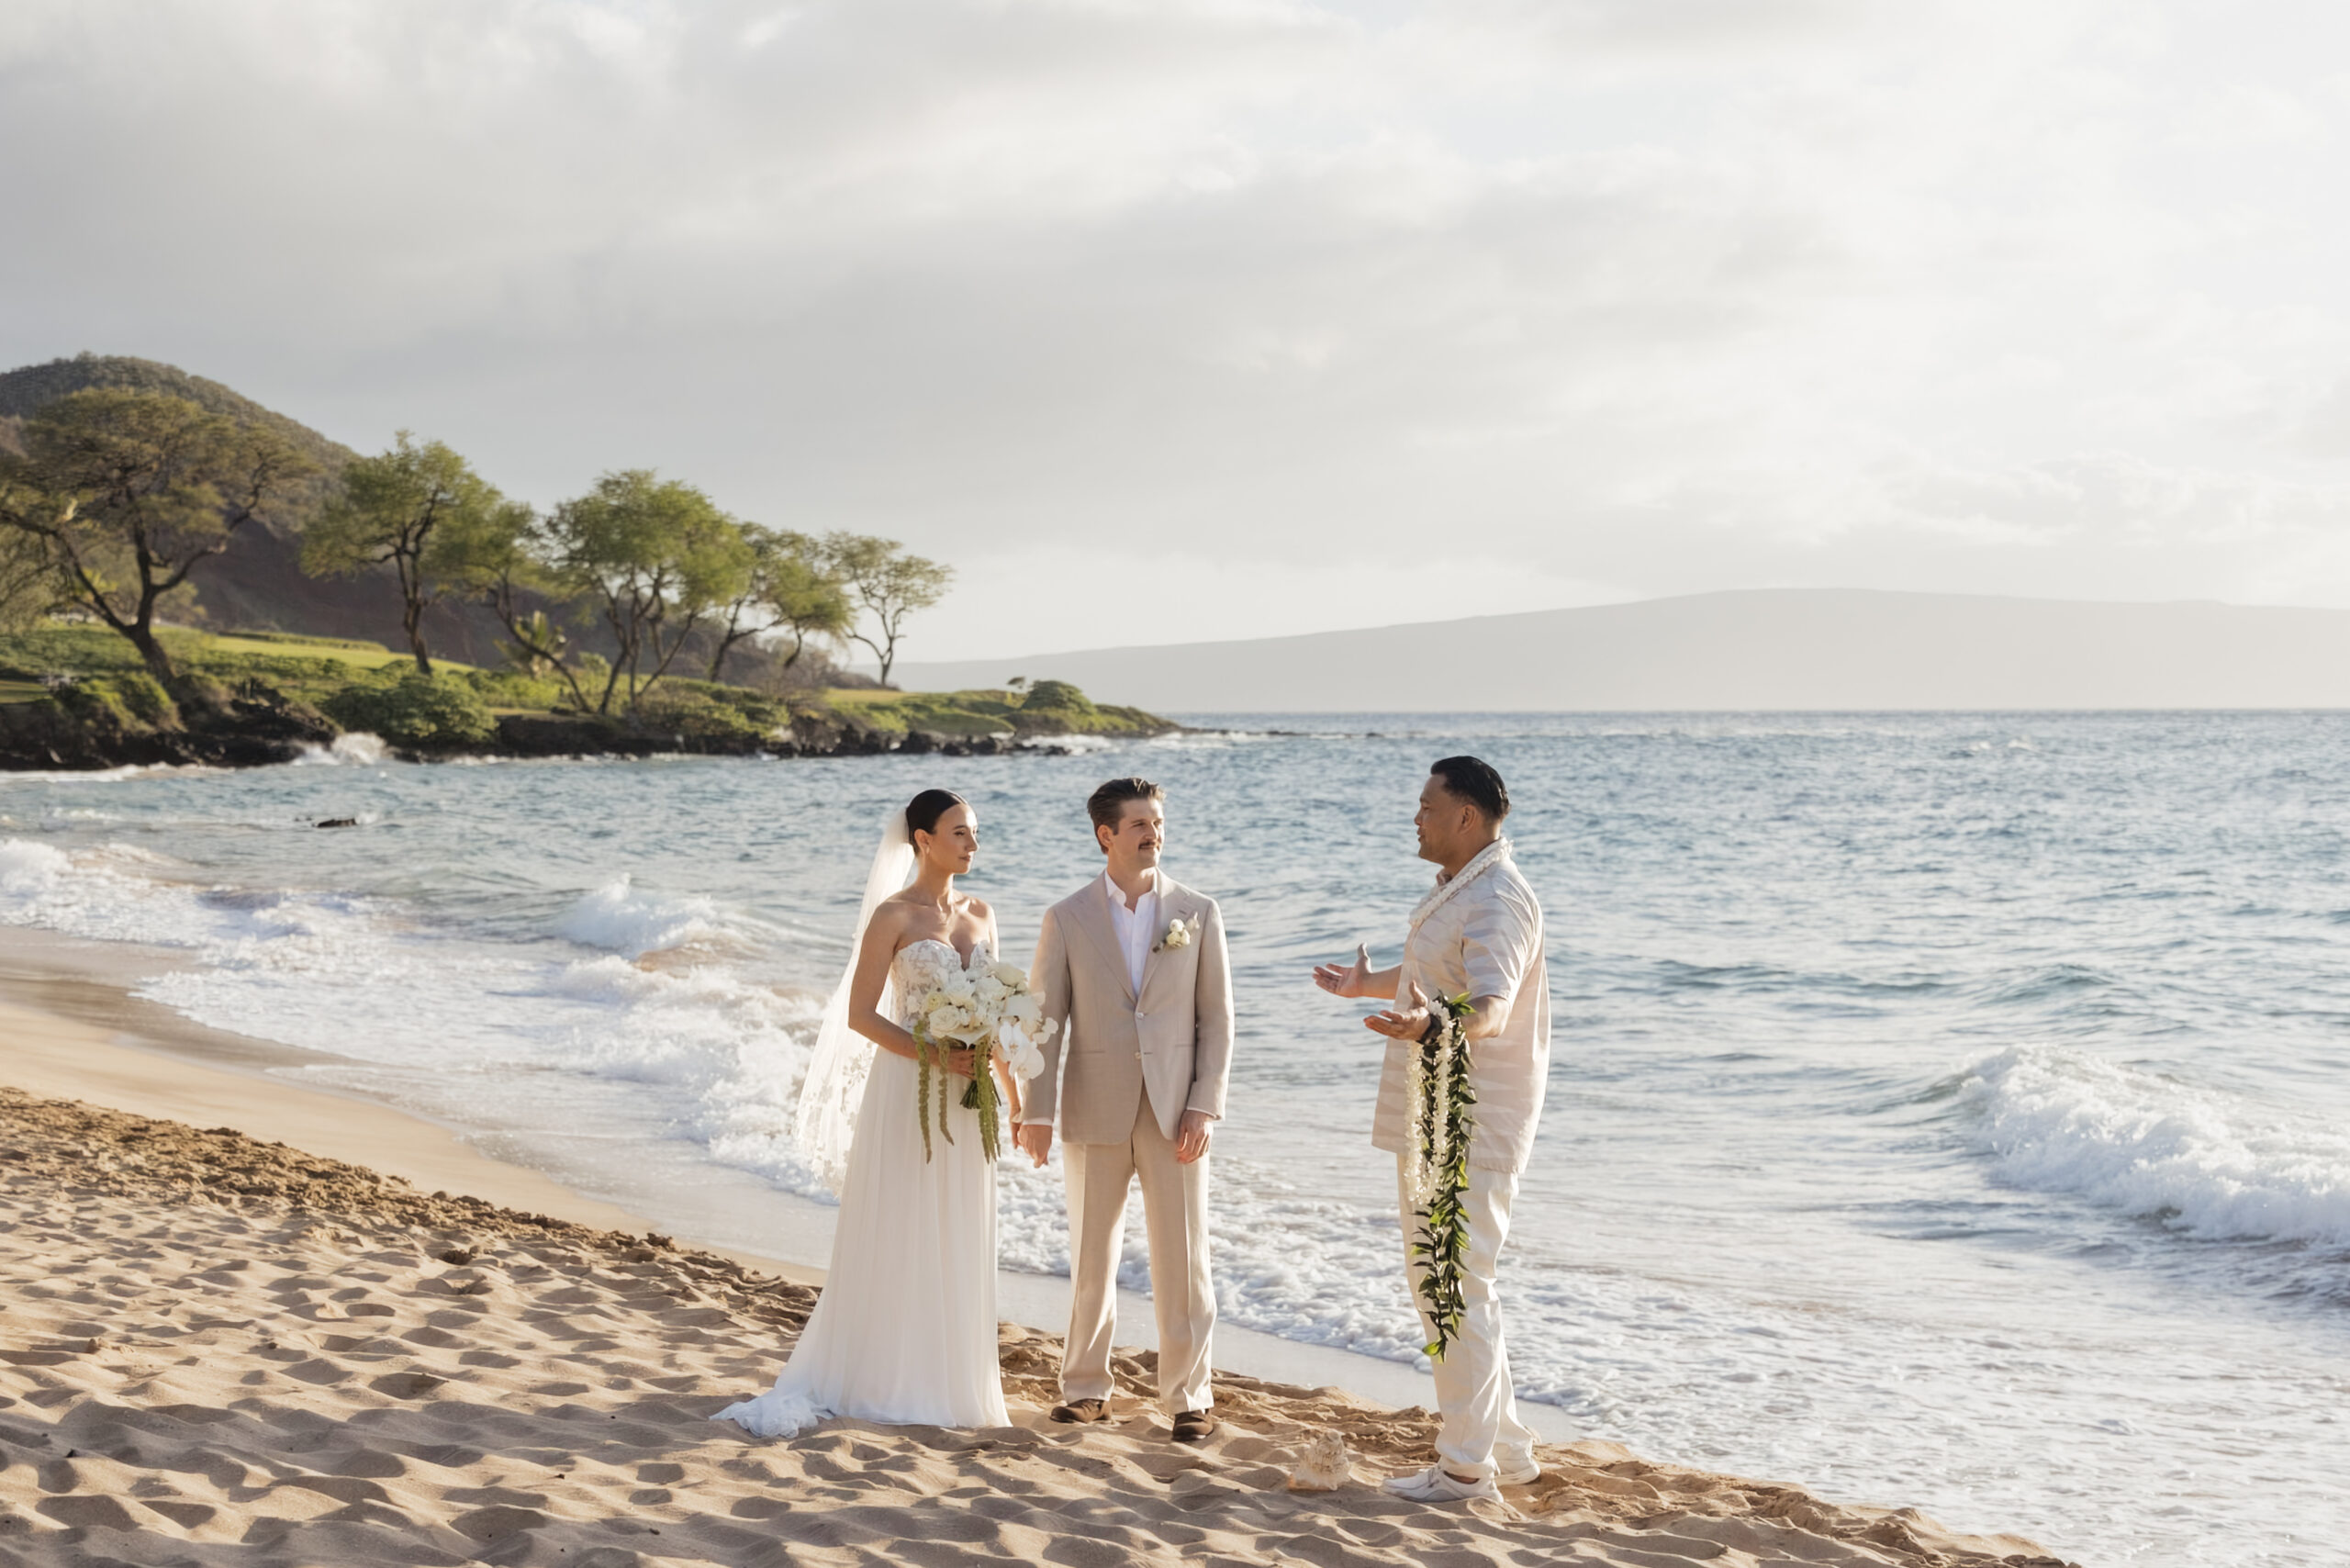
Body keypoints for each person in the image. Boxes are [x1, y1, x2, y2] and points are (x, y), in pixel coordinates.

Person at [714, 788, 1019, 1438]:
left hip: (971, 1102)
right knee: (903, 1224)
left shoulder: (984, 914)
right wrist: (934, 1058)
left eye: (975, 832)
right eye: (960, 832)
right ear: (923, 841)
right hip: (909, 1088)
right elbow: (860, 1016)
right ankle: (886, 1377)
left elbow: (996, 1015)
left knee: (960, 1230)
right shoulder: (893, 916)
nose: (972, 843)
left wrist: (1015, 1098)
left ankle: (952, 1382)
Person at [1312, 756, 1550, 1502]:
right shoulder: (1462, 888)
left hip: (1470, 1121)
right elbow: (1434, 976)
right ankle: (1506, 1453)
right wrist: (1368, 984)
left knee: (1451, 1286)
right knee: (1453, 1282)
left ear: (1466, 818)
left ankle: (1464, 1469)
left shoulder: (1500, 899)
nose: (1414, 817)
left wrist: (1433, 1023)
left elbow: (1492, 1008)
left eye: (1425, 806)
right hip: (1434, 1112)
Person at [1015, 777, 1234, 1443]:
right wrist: (1036, 1113)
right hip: (1094, 1108)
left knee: (1185, 1259)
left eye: (1158, 821)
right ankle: (1085, 1389)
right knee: (1091, 1256)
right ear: (1105, 834)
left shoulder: (1197, 911)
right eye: (1139, 823)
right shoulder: (1068, 916)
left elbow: (1217, 1021)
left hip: (1176, 1114)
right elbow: (1044, 1022)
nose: (1153, 833)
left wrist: (1205, 1104)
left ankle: (1190, 1396)